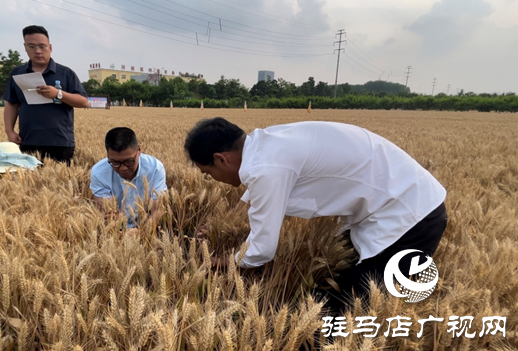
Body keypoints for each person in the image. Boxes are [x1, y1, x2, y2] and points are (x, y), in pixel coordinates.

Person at [184, 117, 448, 314]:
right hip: (387, 204)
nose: (213, 180)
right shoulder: (265, 145)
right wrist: (220, 225)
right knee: (323, 287)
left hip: (412, 215)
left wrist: (224, 261)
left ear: (221, 159)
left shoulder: (266, 166)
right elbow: (259, 200)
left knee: (346, 307)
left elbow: (263, 249)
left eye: (208, 174)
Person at [3, 25, 89, 165]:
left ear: (50, 47)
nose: (37, 51)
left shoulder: (66, 73)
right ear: (25, 47)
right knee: (29, 185)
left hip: (60, 142)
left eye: (42, 46)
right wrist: (9, 131)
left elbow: (83, 102)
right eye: (32, 47)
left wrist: (58, 94)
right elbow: (12, 103)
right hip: (28, 140)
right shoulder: (17, 73)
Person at [90, 127, 167, 230]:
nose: (123, 168)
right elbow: (106, 213)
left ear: (139, 150)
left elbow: (157, 209)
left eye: (129, 161)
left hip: (147, 227)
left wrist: (143, 232)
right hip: (115, 231)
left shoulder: (155, 168)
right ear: (107, 155)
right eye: (115, 163)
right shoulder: (98, 172)